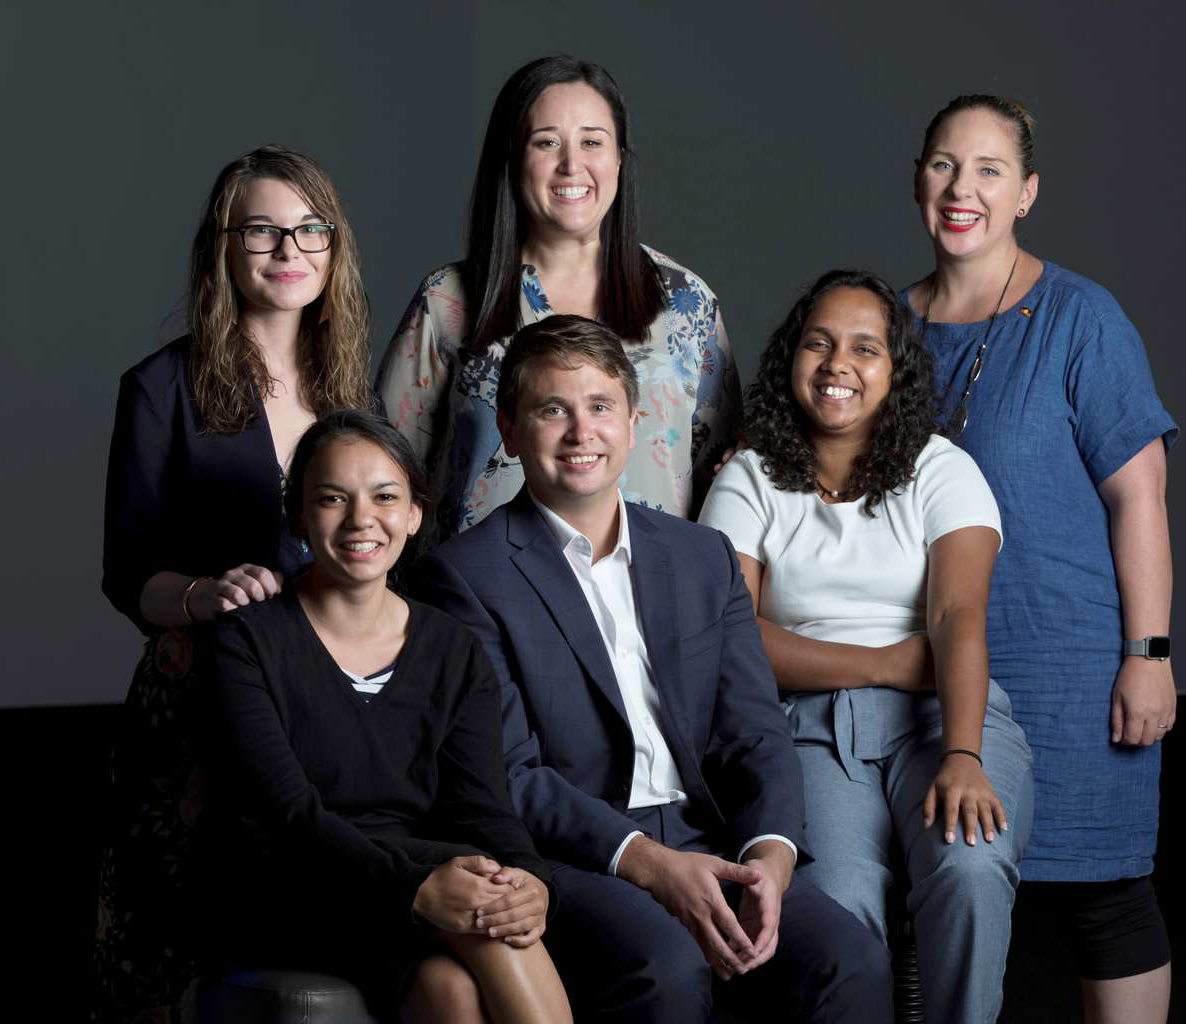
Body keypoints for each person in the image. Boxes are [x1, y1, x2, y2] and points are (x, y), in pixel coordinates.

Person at [417, 314, 892, 1023]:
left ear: (634, 423)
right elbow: (507, 773)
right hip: (580, 855)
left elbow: (756, 730)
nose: (583, 433)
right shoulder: (463, 577)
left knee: (848, 959)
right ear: (511, 432)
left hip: (715, 837)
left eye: (601, 407)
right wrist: (645, 862)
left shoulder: (701, 557)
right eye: (553, 410)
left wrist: (771, 855)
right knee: (665, 968)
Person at [904, 95, 1178, 1023]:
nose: (962, 189)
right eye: (944, 164)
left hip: (1066, 662)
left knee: (1104, 894)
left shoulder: (1082, 319)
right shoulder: (883, 334)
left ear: (1026, 192)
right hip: (923, 669)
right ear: (918, 181)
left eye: (988, 170)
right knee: (931, 897)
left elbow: (1140, 498)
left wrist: (1150, 657)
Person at [700, 269, 1034, 1023]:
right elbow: (735, 636)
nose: (837, 365)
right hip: (808, 729)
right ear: (791, 359)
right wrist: (886, 663)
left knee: (970, 870)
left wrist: (964, 756)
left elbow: (957, 616)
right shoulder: (749, 479)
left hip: (943, 717)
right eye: (818, 344)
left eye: (864, 348)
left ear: (896, 369)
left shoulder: (943, 469)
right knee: (838, 903)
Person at [95, 145, 374, 1021]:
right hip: (199, 701)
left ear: (334, 249)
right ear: (224, 246)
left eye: (308, 229)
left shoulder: (353, 393)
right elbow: (126, 574)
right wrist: (201, 594)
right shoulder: (159, 388)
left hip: (325, 697)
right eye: (261, 229)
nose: (288, 248)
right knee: (172, 953)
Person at [197, 410, 571, 1024]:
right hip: (294, 890)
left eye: (385, 496)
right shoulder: (246, 641)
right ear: (298, 517)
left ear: (415, 513)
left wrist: (532, 883)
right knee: (483, 914)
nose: (360, 519)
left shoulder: (452, 648)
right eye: (332, 498)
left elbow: (484, 808)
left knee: (459, 980)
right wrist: (416, 891)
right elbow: (287, 818)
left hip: (421, 888)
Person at [377, 55, 739, 550]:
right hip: (479, 607)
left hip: (648, 607)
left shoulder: (685, 303)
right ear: (512, 157)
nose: (572, 165)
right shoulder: (449, 302)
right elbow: (382, 473)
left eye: (592, 141)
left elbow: (724, 483)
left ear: (618, 159)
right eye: (546, 142)